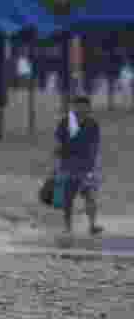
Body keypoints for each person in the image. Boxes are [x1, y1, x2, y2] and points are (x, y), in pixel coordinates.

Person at [54, 95, 103, 236]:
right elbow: (58, 142)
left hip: (86, 166)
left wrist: (93, 166)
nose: (81, 109)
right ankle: (67, 227)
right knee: (68, 198)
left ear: (88, 108)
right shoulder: (64, 122)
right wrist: (57, 160)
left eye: (84, 106)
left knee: (90, 196)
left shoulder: (92, 124)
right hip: (68, 166)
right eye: (78, 105)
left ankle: (92, 225)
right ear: (73, 107)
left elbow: (95, 145)